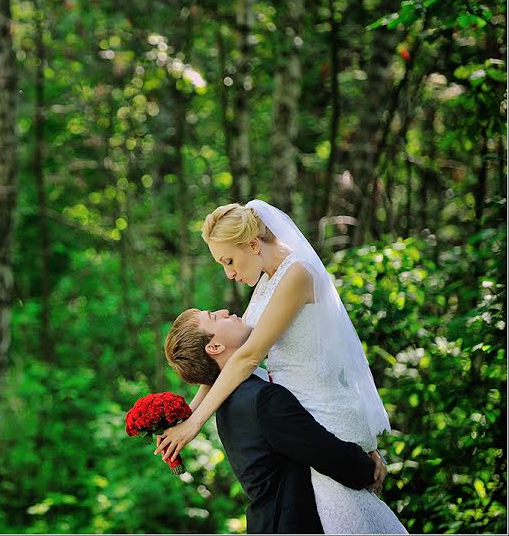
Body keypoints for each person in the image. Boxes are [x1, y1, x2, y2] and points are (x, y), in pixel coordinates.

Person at [156, 200, 404, 533]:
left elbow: (246, 357)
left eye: (229, 261)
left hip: (323, 412)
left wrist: (195, 425)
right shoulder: (265, 283)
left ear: (253, 244)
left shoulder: (297, 274)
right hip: (300, 414)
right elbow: (223, 362)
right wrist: (187, 415)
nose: (229, 273)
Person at [164, 308, 400, 534]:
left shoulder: (227, 404)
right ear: (215, 346)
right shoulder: (262, 399)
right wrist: (369, 467)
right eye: (214, 317)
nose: (225, 312)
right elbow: (327, 453)